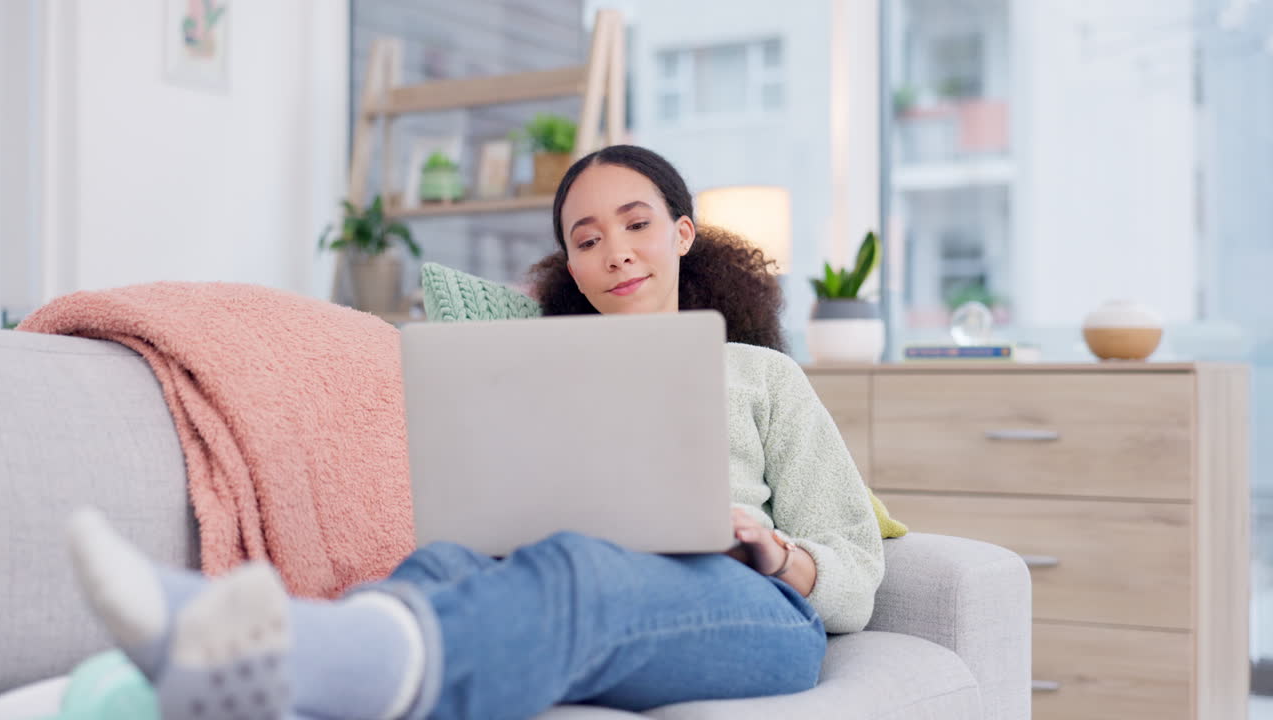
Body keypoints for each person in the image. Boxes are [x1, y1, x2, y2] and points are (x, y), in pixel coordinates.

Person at [68, 145, 884, 720]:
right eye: (587, 240)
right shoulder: (538, 368)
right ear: (571, 264)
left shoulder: (761, 375)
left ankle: (298, 659)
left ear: (681, 233)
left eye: (637, 225)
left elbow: (855, 560)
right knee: (441, 563)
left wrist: (777, 553)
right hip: (572, 578)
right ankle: (233, 678)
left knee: (582, 569)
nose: (616, 253)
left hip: (750, 607)